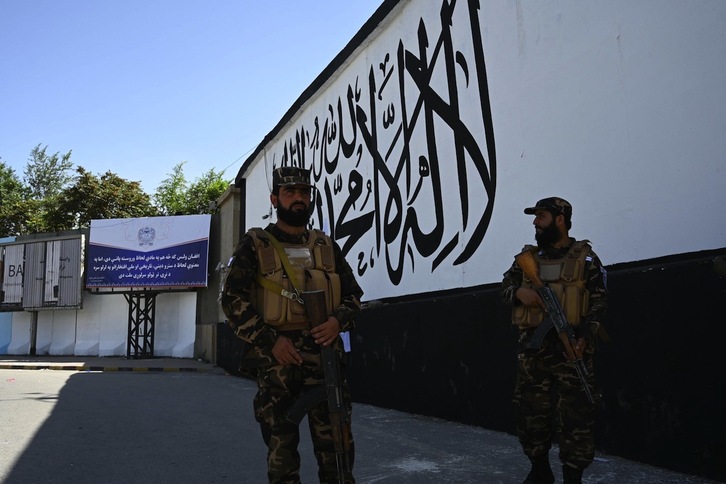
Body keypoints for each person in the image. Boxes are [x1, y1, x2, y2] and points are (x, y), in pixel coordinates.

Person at [221, 166, 364, 484]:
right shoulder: (256, 245)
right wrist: (269, 340)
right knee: (282, 457)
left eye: (304, 192)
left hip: (326, 362)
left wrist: (335, 322)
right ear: (275, 199)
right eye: (290, 192)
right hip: (278, 367)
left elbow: (353, 296)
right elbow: (232, 301)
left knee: (338, 454)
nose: (298, 198)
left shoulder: (325, 246)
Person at [500, 197, 608, 484]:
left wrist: (586, 336)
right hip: (533, 355)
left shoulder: (585, 258)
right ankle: (539, 469)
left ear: (560, 219)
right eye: (535, 217)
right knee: (530, 413)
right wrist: (519, 294)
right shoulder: (526, 261)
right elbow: (506, 287)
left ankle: (573, 476)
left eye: (542, 216)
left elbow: (599, 302)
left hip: (572, 351)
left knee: (576, 419)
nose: (535, 222)